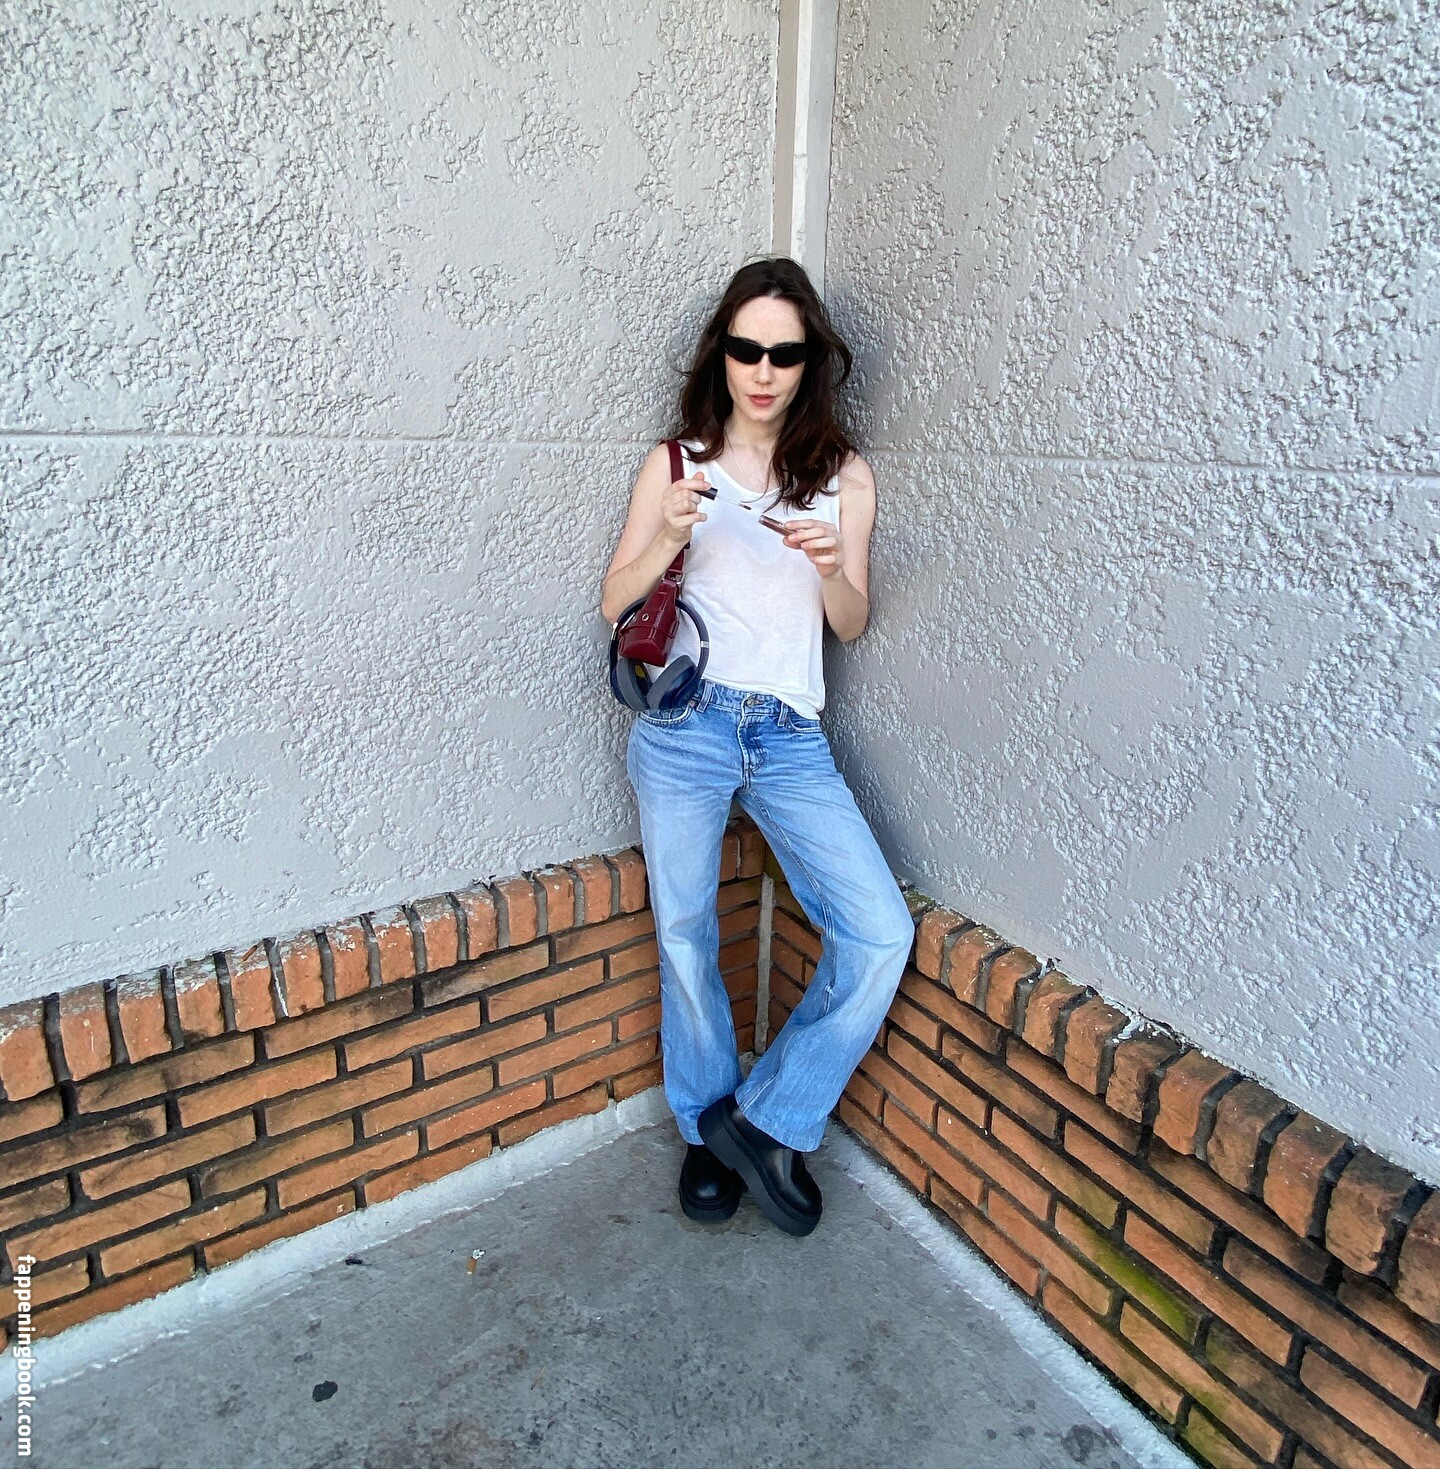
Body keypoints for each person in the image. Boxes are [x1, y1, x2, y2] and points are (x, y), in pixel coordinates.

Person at [599, 256, 915, 1237]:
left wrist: (830, 571)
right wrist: (668, 537)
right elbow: (614, 602)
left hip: (786, 734)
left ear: (810, 361)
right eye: (747, 349)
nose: (764, 371)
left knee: (879, 930)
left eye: (785, 353)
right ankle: (706, 1128)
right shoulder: (677, 464)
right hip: (686, 728)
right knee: (686, 934)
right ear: (722, 354)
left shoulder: (844, 476)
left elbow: (850, 622)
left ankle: (765, 1118)